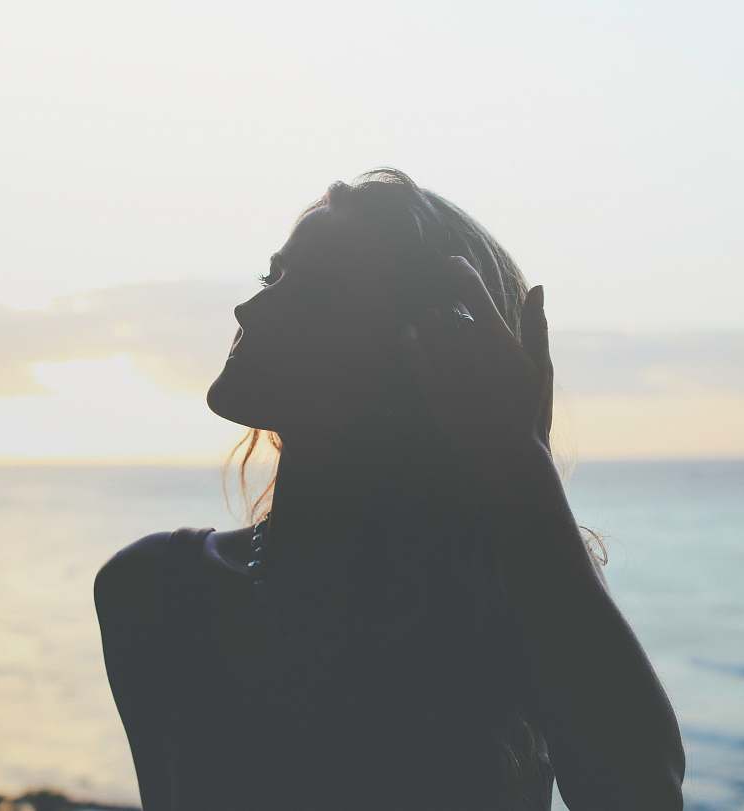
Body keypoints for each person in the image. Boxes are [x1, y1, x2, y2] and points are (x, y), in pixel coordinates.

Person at [94, 168, 686, 810]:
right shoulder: (152, 587)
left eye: (313, 290)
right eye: (273, 276)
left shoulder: (494, 599)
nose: (250, 307)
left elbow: (641, 795)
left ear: (415, 350)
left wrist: (518, 460)